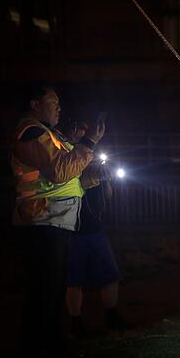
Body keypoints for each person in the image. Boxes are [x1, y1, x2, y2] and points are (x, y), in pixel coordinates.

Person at [10, 84, 105, 358]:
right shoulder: (31, 131)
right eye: (53, 103)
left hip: (55, 221)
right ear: (34, 104)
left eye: (59, 103)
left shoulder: (49, 134)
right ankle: (37, 352)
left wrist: (97, 175)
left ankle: (49, 347)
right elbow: (60, 171)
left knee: (52, 290)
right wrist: (88, 144)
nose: (59, 108)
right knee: (44, 290)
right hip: (41, 221)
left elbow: (71, 178)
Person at [64, 122, 125, 337]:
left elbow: (107, 197)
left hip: (96, 229)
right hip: (73, 230)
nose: (84, 135)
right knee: (74, 280)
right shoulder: (66, 156)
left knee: (109, 275)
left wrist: (106, 179)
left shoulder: (93, 160)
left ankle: (111, 317)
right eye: (79, 131)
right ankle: (76, 323)